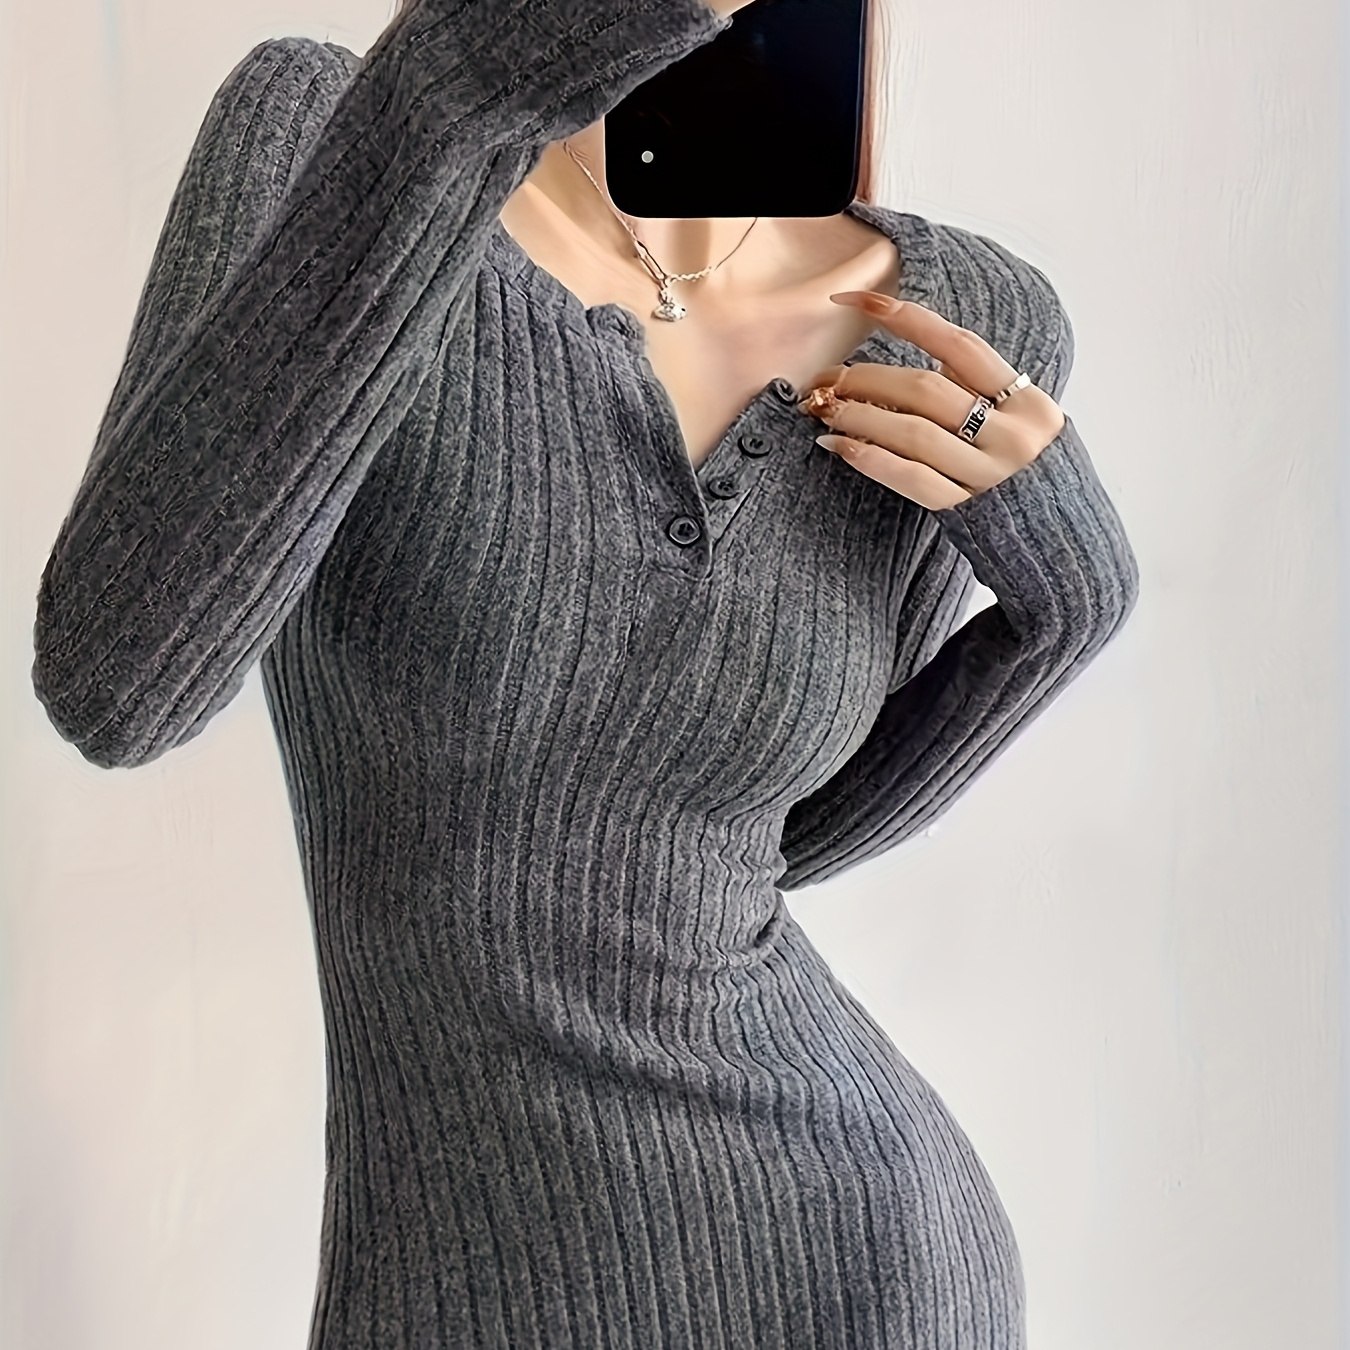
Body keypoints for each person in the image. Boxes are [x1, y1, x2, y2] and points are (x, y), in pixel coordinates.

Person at [30, 0, 1140, 1345]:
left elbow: (752, 852)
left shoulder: (949, 319)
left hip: (853, 1269)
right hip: (446, 1274)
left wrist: (1066, 617)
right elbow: (120, 686)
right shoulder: (343, 132)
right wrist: (458, 96)